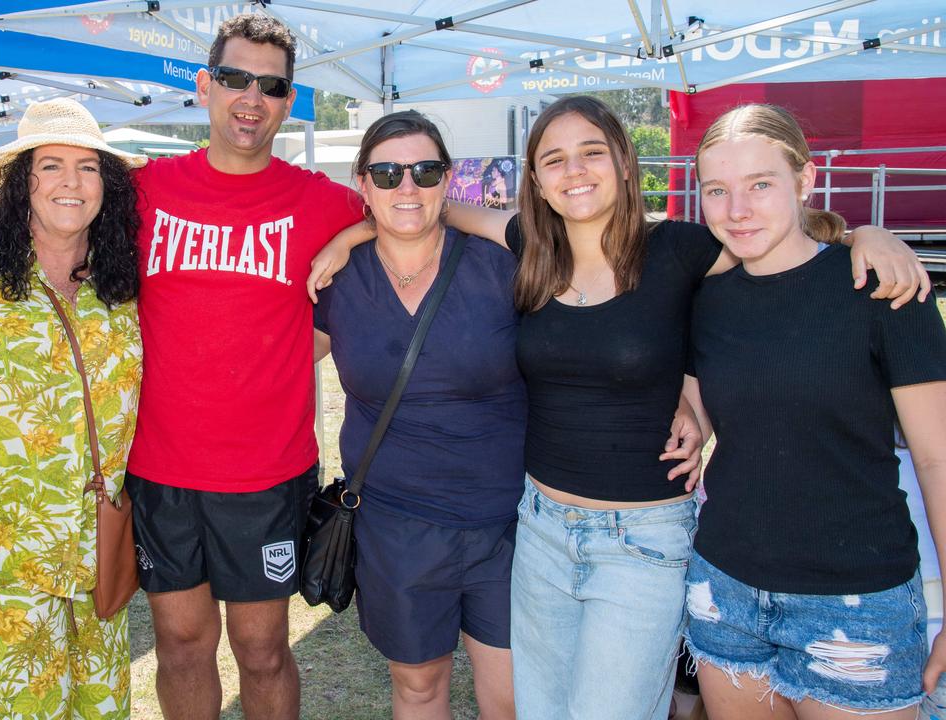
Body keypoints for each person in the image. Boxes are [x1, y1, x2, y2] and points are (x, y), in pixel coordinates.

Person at [308, 95, 927, 720]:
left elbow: (775, 249)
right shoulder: (532, 249)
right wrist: (360, 229)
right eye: (554, 159)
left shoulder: (679, 250)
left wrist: (862, 235)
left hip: (644, 538)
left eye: (591, 153)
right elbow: (430, 212)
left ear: (627, 163)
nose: (574, 171)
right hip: (543, 526)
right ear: (538, 181)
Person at [125, 13, 363, 720]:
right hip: (162, 467)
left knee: (261, 649)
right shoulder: (145, 192)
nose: (250, 98)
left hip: (267, 471)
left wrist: (357, 232)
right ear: (204, 87)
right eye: (234, 79)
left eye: (271, 85)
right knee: (180, 644)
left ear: (289, 101)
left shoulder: (320, 202)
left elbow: (415, 212)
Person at [682, 103, 946, 720]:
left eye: (761, 185)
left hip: (856, 601)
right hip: (725, 592)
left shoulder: (885, 291)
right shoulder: (706, 299)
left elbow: (936, 458)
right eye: (717, 190)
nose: (737, 209)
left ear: (805, 182)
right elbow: (695, 410)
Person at [0, 97, 145, 720]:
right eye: (51, 166)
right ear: (22, 183)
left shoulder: (119, 282)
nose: (71, 183)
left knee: (98, 708)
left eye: (88, 167)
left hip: (95, 552)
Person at [313, 110, 523, 720]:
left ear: (448, 180)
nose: (407, 187)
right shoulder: (340, 279)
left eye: (426, 172)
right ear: (362, 184)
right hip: (394, 526)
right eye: (387, 173)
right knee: (418, 688)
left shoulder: (501, 265)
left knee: (511, 696)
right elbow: (274, 365)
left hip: (506, 525)